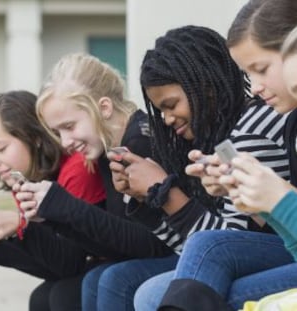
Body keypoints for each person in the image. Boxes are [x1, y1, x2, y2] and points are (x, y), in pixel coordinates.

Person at [85, 24, 290, 311]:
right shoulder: (220, 135)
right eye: (161, 110)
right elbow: (193, 254)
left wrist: (167, 194)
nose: (167, 119)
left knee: (153, 293)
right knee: (132, 284)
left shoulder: (251, 131)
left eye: (171, 105)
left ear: (204, 85)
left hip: (284, 249)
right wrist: (148, 200)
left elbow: (223, 244)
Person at [154, 1, 297, 310]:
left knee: (159, 292)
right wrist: (256, 197)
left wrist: (169, 199)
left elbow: (223, 240)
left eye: (260, 69)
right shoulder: (289, 123)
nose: (255, 87)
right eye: (248, 73)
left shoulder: (257, 127)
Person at [12, 53, 176, 309]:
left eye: (70, 126)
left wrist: (65, 207)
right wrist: (53, 216)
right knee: (83, 282)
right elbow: (117, 242)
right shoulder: (105, 148)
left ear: (104, 108)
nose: (65, 142)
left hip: (180, 251)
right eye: (58, 132)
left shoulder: (139, 142)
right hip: (157, 252)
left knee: (110, 278)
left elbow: (152, 243)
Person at [0, 90, 106, 311]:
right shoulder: (24, 180)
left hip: (116, 261)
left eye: (0, 148)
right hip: (83, 266)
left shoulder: (77, 169)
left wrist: (20, 226)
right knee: (41, 297)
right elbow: (50, 266)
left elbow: (71, 263)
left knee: (62, 296)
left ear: (35, 138)